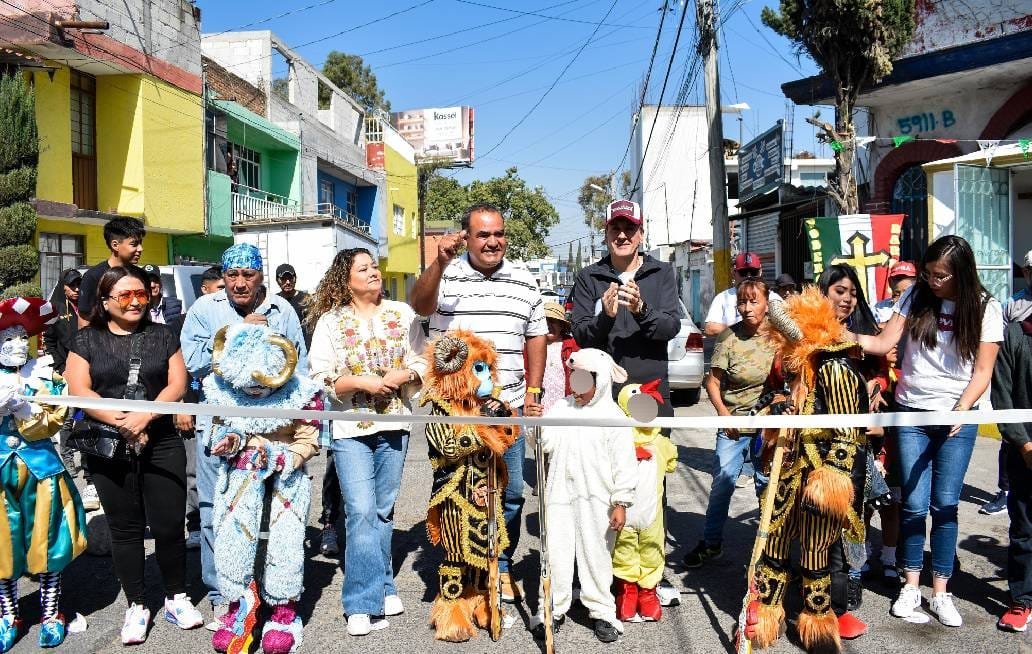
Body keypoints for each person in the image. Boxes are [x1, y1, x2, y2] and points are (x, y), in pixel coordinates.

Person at [852, 234, 1003, 628]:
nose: (933, 282)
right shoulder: (914, 295)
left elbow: (983, 371)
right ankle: (910, 586)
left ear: (961, 274)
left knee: (945, 505)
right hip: (911, 415)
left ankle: (941, 591)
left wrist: (962, 408)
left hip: (958, 418)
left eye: (941, 276)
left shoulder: (986, 306)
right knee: (914, 505)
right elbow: (884, 341)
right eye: (929, 274)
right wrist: (843, 337)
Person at [410, 203, 547, 602]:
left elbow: (536, 335)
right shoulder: (448, 273)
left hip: (509, 407)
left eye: (498, 233)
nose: (492, 241)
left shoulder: (524, 279)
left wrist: (534, 391)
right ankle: (463, 568)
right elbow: (420, 305)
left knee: (511, 491)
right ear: (467, 237)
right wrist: (438, 263)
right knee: (458, 491)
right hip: (457, 410)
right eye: (483, 234)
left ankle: (499, 566)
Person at [64, 265, 203, 645]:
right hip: (108, 443)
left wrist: (146, 416)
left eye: (141, 293)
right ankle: (137, 604)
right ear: (105, 300)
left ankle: (176, 597)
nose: (134, 302)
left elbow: (177, 383)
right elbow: (80, 389)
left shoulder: (163, 335)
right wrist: (123, 421)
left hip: (162, 440)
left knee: (169, 525)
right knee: (125, 529)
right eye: (124, 295)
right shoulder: (85, 340)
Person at [181, 244, 308, 630]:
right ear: (223, 276)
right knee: (214, 511)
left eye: (247, 275)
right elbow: (192, 362)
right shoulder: (204, 309)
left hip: (274, 431)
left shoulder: (282, 310)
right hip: (219, 426)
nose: (239, 283)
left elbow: (300, 367)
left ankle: (276, 595)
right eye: (232, 275)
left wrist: (302, 431)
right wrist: (238, 335)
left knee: (277, 516)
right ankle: (224, 594)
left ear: (260, 276)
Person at [745, 286, 871, 654]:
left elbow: (848, 432)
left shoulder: (834, 368)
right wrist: (777, 410)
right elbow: (773, 406)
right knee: (774, 543)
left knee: (816, 552)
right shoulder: (797, 370)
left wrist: (831, 478)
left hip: (819, 475)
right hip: (788, 470)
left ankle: (817, 624)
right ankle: (765, 616)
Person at [307, 248, 427, 636]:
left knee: (382, 511)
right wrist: (362, 382)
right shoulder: (331, 321)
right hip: (350, 429)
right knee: (359, 510)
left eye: (374, 266)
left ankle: (385, 585)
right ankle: (361, 602)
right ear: (346, 281)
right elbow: (319, 376)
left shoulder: (402, 314)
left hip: (395, 423)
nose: (374, 272)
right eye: (364, 268)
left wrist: (404, 374)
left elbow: (423, 360)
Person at [205, 323, 322, 654]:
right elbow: (221, 429)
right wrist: (228, 441)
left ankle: (284, 614)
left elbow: (309, 440)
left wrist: (282, 457)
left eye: (261, 384)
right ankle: (239, 607)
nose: (254, 391)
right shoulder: (222, 390)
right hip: (240, 478)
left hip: (286, 479)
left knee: (285, 543)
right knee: (233, 541)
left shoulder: (303, 393)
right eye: (247, 385)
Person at [530, 348, 637, 643]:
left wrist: (621, 501)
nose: (576, 388)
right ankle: (551, 609)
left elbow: (625, 463)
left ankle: (602, 611)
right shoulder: (561, 409)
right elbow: (543, 444)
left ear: (600, 380)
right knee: (555, 553)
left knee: (597, 554)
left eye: (583, 381)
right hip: (559, 494)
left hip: (598, 498)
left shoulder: (613, 416)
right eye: (573, 379)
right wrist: (534, 425)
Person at [0, 297, 88, 652]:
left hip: (41, 471)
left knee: (48, 543)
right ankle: (8, 615)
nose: (17, 344)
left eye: (23, 337)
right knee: (1, 546)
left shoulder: (47, 376)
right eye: (8, 338)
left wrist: (23, 409)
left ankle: (51, 614)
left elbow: (52, 423)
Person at [420, 330, 518, 642]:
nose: (487, 376)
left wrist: (504, 420)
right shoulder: (440, 407)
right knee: (456, 553)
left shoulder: (488, 403)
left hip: (487, 491)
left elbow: (506, 438)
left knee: (484, 551)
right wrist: (482, 428)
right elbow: (447, 447)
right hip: (455, 493)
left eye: (488, 368)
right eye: (479, 368)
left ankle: (481, 601)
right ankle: (452, 610)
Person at [684, 278, 774, 568]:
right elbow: (712, 382)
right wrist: (724, 415)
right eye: (742, 302)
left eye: (753, 301)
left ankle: (771, 550)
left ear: (767, 304)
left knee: (767, 486)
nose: (747, 308)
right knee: (723, 483)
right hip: (733, 424)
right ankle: (711, 543)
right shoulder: (728, 338)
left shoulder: (779, 337)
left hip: (768, 427)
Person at [571, 199, 681, 413]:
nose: (622, 236)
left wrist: (642, 310)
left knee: (651, 437)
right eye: (615, 229)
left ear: (641, 234)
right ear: (606, 235)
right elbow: (581, 336)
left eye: (629, 228)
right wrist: (605, 317)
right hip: (602, 395)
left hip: (650, 391)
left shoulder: (662, 273)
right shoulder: (589, 277)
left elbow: (671, 327)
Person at [44, 268, 100, 508]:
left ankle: (90, 465)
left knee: (85, 417)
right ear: (63, 287)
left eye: (79, 285)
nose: (77, 290)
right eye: (72, 286)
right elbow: (49, 340)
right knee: (68, 418)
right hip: (68, 373)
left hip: (92, 372)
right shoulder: (56, 310)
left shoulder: (90, 305)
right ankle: (67, 456)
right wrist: (61, 367)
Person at [981, 252, 1032, 518]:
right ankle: (1005, 491)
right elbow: (997, 341)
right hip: (1017, 384)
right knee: (1010, 443)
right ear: (1026, 272)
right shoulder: (1012, 305)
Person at [990, 311, 1032, 632]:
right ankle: (1023, 599)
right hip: (1025, 451)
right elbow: (1002, 395)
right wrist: (1024, 444)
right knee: (1025, 528)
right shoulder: (1016, 335)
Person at [179, 266, 225, 551]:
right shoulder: (186, 321)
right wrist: (183, 405)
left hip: (226, 411)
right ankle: (195, 524)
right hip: (194, 405)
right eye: (219, 288)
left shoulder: (236, 318)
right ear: (204, 289)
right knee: (194, 472)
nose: (225, 294)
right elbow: (181, 367)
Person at [77, 217, 146, 328]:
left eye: (141, 243)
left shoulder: (142, 276)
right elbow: (84, 320)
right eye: (134, 244)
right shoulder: (93, 276)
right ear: (115, 245)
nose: (140, 249)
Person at [703, 251, 782, 336]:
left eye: (753, 272)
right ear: (734, 273)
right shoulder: (722, 298)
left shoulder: (772, 296)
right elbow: (710, 328)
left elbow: (787, 323)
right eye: (743, 272)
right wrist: (743, 328)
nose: (748, 276)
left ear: (760, 272)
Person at [542, 302, 573, 412]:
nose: (548, 325)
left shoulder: (572, 346)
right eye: (545, 321)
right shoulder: (532, 346)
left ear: (562, 325)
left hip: (566, 406)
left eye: (553, 321)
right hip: (540, 406)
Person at [141, 265, 184, 334]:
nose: (152, 285)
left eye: (155, 281)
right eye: (148, 281)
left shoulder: (176, 306)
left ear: (160, 283)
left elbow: (185, 332)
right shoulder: (138, 308)